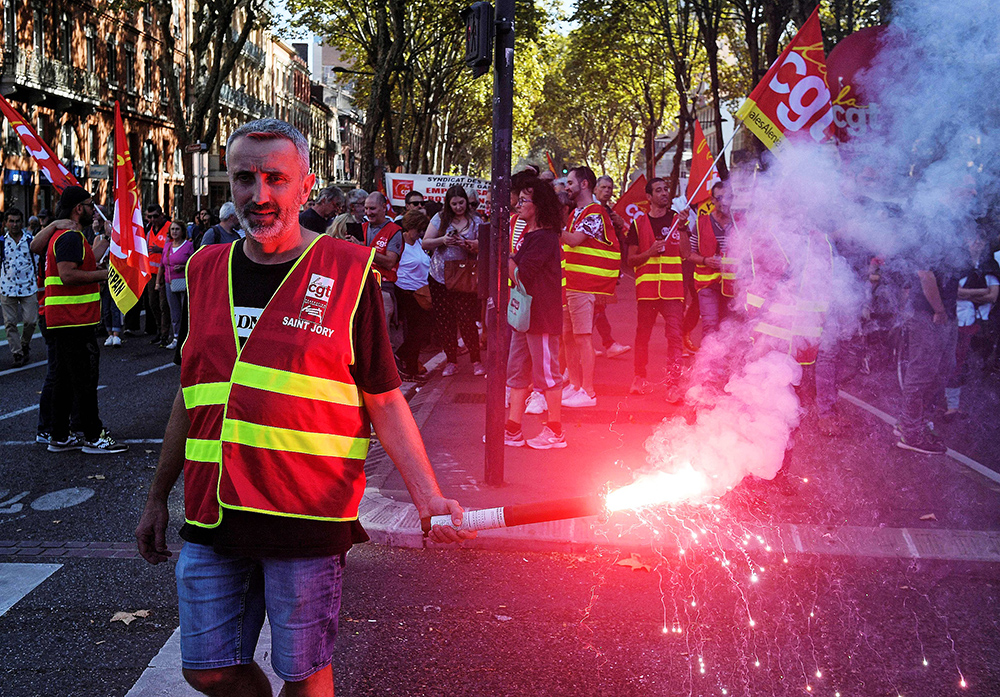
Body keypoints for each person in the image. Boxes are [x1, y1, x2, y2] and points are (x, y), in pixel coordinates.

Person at [134, 118, 472, 697]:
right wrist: (155, 497)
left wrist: (428, 496)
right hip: (214, 511)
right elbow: (192, 395)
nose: (259, 195)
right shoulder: (205, 269)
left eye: (275, 179)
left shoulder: (347, 270)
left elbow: (385, 398)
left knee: (304, 674)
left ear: (305, 185)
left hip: (307, 514)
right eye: (245, 178)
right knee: (206, 669)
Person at [33, 185, 127, 454]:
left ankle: (59, 435)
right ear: (78, 209)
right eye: (89, 204)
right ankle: (93, 435)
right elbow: (68, 275)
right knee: (84, 380)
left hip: (66, 320)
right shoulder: (71, 236)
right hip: (72, 320)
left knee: (64, 380)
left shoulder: (67, 235)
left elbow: (77, 267)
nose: (92, 209)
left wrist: (101, 248)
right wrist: (105, 275)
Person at [505, 178, 566, 449]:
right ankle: (513, 428)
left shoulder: (543, 237)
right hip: (527, 316)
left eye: (523, 200)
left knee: (547, 375)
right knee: (517, 371)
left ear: (537, 205)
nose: (518, 205)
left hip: (540, 316)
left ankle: (555, 431)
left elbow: (522, 274)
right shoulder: (532, 235)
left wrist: (504, 258)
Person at [560, 166, 619, 408]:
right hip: (573, 284)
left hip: (585, 285)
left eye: (570, 182)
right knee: (569, 337)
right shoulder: (577, 213)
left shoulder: (594, 213)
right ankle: (575, 386)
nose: (567, 187)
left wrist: (552, 226)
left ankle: (588, 391)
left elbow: (573, 241)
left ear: (584, 184)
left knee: (582, 337)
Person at [626, 177, 687, 402]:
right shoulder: (638, 223)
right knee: (643, 336)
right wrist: (649, 252)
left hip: (673, 291)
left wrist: (681, 228)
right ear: (649, 197)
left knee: (674, 338)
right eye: (658, 190)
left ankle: (673, 385)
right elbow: (631, 260)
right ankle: (639, 377)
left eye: (665, 189)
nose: (664, 193)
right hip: (647, 291)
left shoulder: (677, 220)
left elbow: (685, 253)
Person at [896, 258, 959, 455]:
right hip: (928, 314)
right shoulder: (929, 233)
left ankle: (913, 423)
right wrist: (939, 309)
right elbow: (926, 276)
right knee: (922, 374)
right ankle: (912, 433)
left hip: (945, 313)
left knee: (940, 372)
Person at [421, 184, 484, 376]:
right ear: (448, 204)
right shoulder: (440, 218)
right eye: (454, 204)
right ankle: (451, 360)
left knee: (467, 319)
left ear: (467, 201)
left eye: (461, 203)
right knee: (444, 320)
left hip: (465, 277)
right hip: (439, 276)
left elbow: (483, 245)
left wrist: (467, 244)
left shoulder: (475, 221)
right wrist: (443, 241)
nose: (458, 207)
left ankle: (476, 360)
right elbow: (425, 242)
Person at [944, 233, 999, 420]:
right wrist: (980, 293)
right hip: (957, 319)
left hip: (977, 323)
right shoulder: (958, 264)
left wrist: (966, 294)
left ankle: (959, 405)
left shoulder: (990, 266)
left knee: (969, 364)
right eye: (972, 239)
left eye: (980, 240)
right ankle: (950, 405)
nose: (976, 244)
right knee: (954, 362)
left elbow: (993, 296)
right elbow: (954, 292)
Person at [686, 181, 735, 336]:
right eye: (720, 198)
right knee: (710, 325)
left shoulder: (739, 223)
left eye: (728, 197)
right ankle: (707, 360)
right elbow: (689, 254)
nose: (724, 202)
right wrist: (705, 260)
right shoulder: (701, 223)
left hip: (733, 286)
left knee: (728, 327)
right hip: (707, 283)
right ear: (712, 200)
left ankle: (724, 359)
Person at [592, 175, 631, 359]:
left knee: (598, 307)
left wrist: (620, 225)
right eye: (604, 187)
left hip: (604, 266)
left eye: (610, 188)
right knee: (596, 307)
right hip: (593, 267)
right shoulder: (590, 209)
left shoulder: (608, 211)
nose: (607, 190)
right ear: (595, 189)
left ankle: (602, 343)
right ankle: (606, 343)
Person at [394, 210, 433, 381]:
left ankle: (404, 358)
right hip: (406, 292)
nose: (421, 233)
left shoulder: (418, 243)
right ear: (411, 228)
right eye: (419, 230)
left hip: (422, 291)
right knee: (416, 333)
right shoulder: (399, 243)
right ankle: (409, 368)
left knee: (422, 332)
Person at [359, 191, 403, 329]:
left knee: (381, 329)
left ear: (384, 208)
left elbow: (390, 262)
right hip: (361, 284)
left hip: (383, 287)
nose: (368, 212)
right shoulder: (362, 227)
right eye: (366, 208)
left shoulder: (394, 231)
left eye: (372, 208)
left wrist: (363, 249)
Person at [1, 209, 39, 367]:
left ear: (22, 223)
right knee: (9, 323)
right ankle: (17, 353)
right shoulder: (2, 242)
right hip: (7, 287)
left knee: (30, 321)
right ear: (6, 223)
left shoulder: (31, 240)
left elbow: (37, 260)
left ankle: (24, 344)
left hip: (28, 286)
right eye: (11, 221)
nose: (14, 224)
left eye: (17, 221)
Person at [156, 220, 194, 350]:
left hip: (184, 282)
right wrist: (157, 282)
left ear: (182, 231)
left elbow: (195, 263)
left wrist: (183, 266)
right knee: (174, 311)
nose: (174, 232)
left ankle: (188, 338)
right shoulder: (167, 246)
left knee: (186, 310)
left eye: (177, 229)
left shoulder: (189, 246)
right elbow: (162, 265)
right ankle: (176, 337)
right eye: (172, 229)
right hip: (170, 282)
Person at [141, 204, 172, 346]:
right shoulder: (149, 229)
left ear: (161, 215)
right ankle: (159, 330)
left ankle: (165, 334)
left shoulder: (170, 228)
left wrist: (161, 250)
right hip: (152, 273)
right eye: (149, 216)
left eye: (155, 216)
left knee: (164, 305)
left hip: (166, 272)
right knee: (153, 304)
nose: (152, 219)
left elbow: (177, 245)